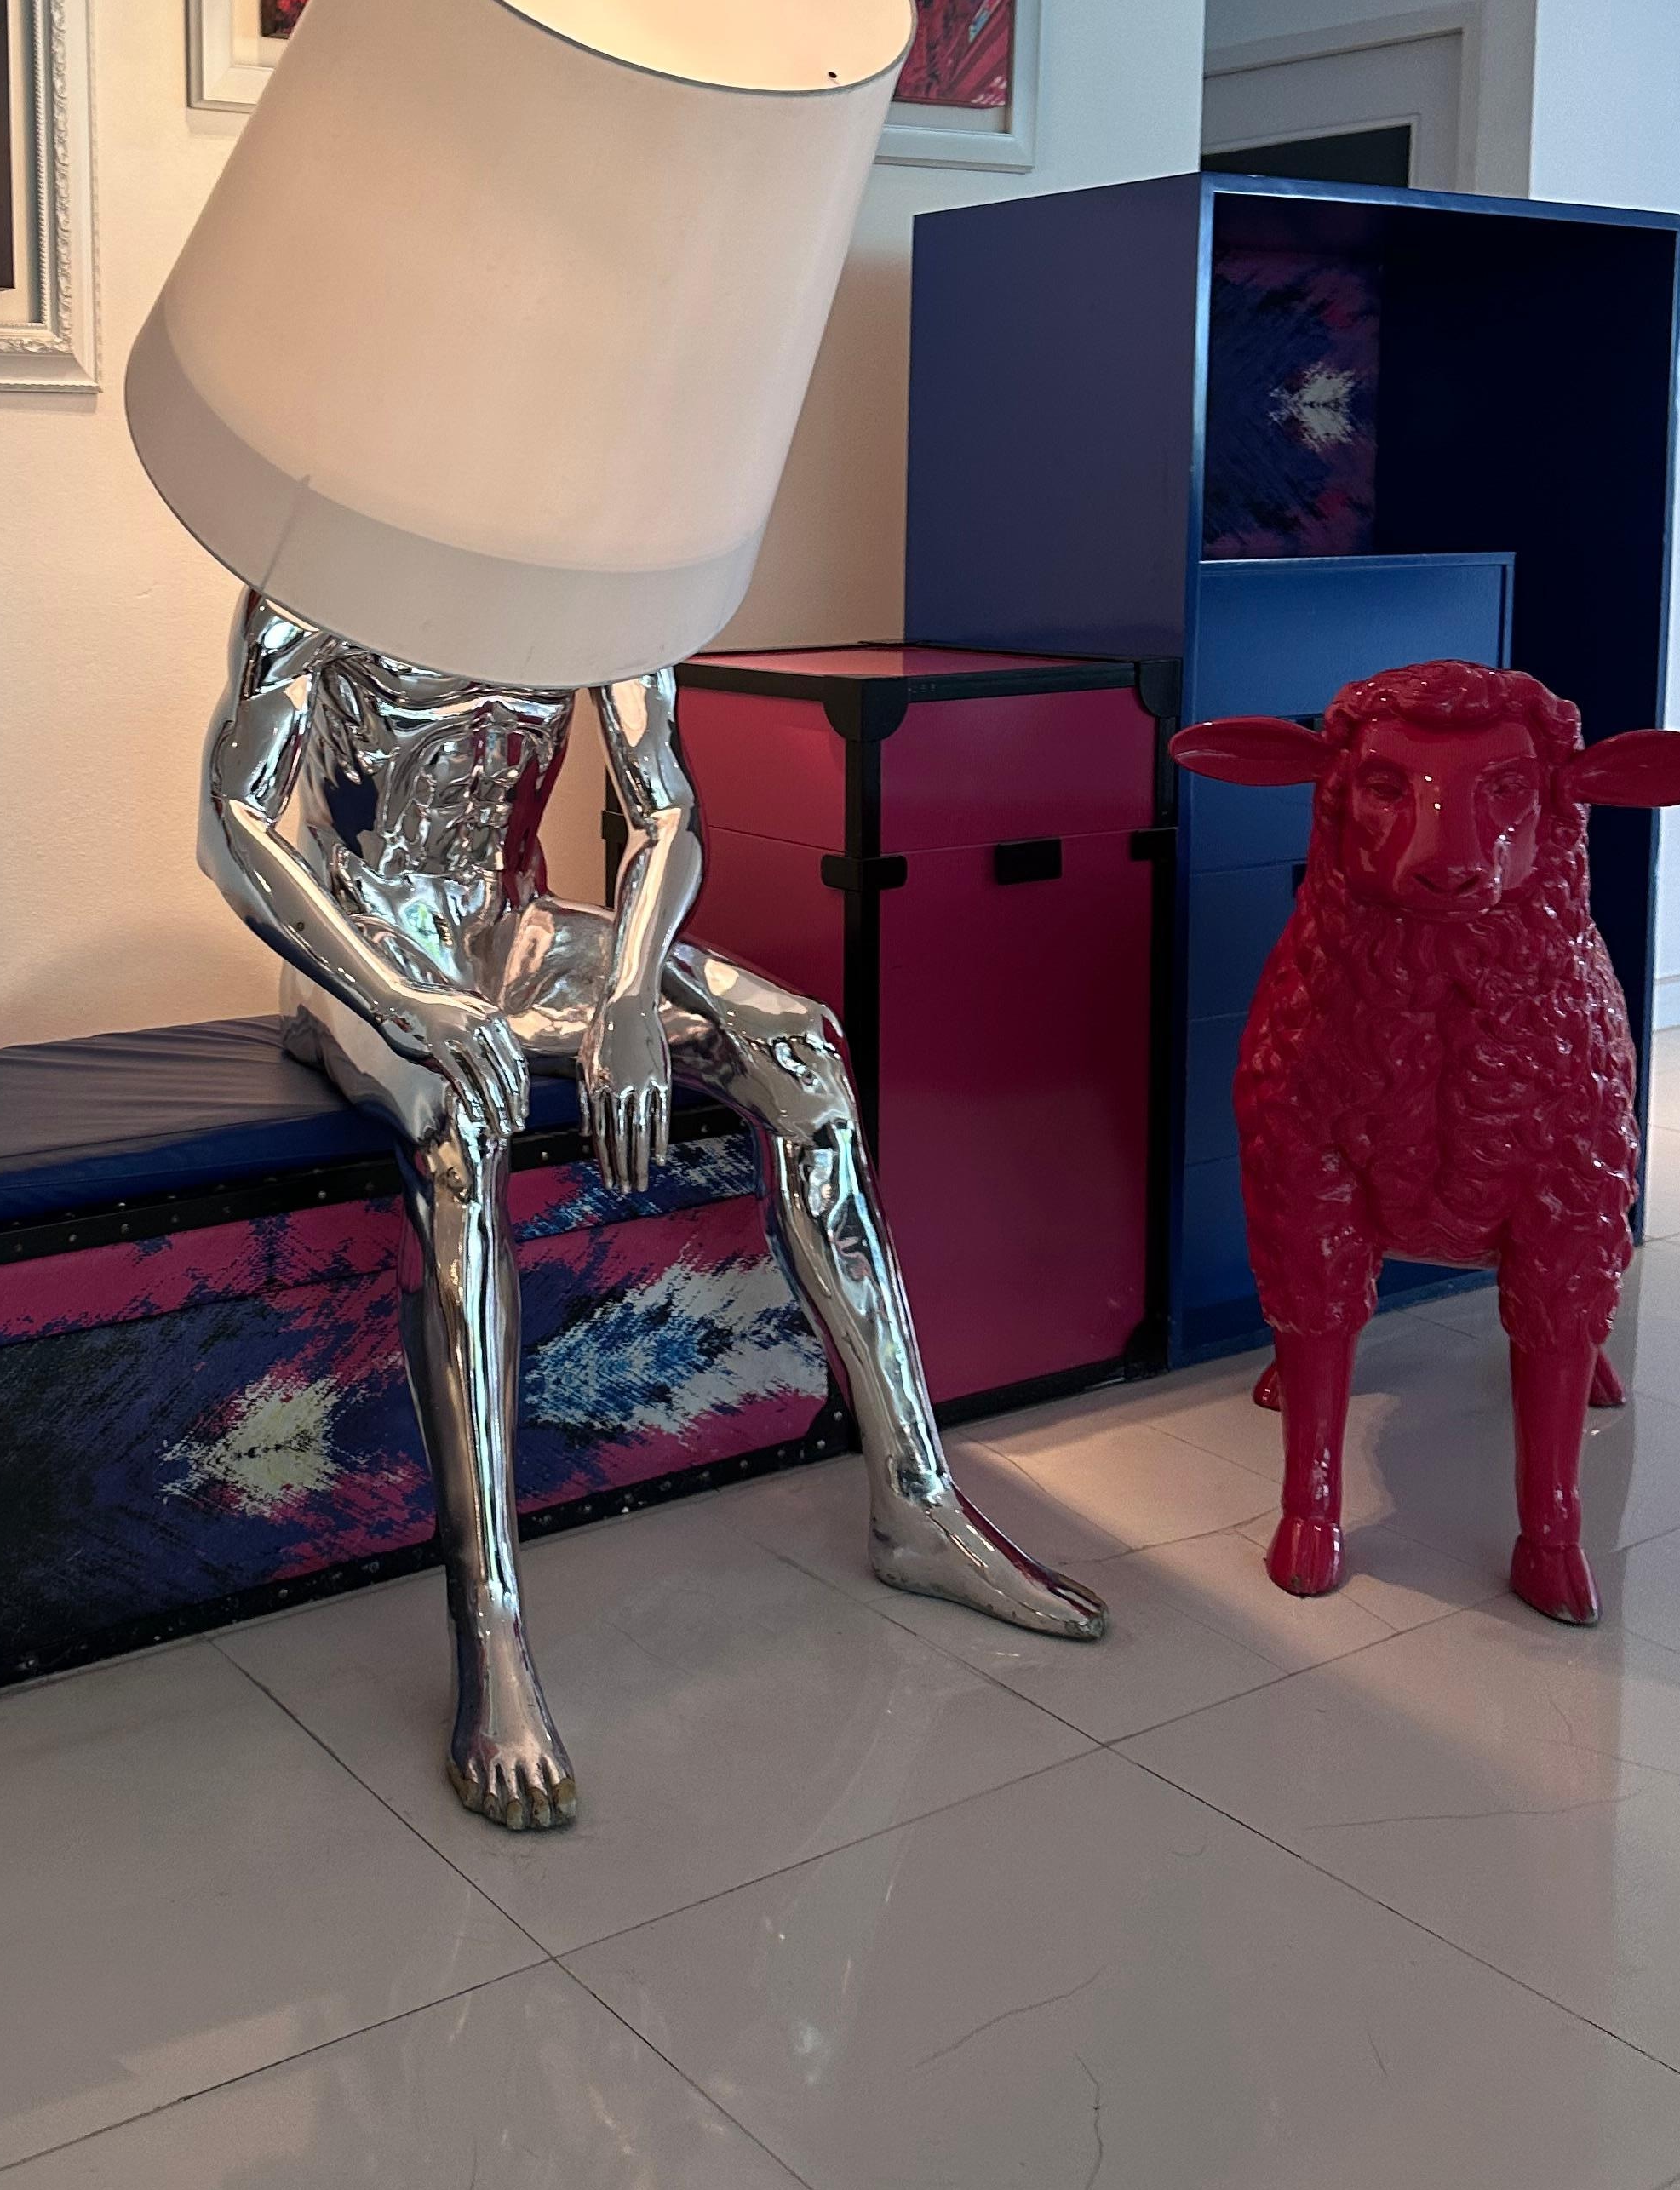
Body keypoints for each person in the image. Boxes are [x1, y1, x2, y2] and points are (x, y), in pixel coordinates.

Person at [202, 592, 1107, 1834]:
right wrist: (403, 1001)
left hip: (516, 934)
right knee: (464, 1127)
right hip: (362, 957)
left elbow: (664, 808)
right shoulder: (318, 565)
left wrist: (630, 993)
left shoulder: (594, 566)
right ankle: (491, 1622)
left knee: (803, 1051)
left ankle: (918, 1502)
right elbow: (233, 821)